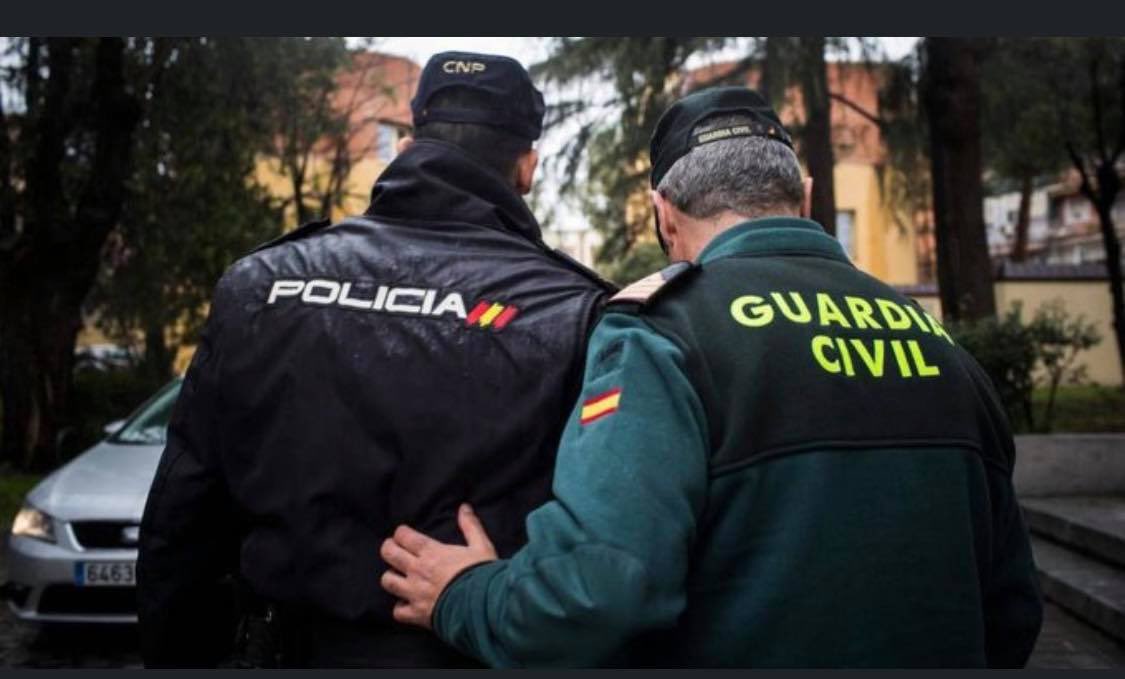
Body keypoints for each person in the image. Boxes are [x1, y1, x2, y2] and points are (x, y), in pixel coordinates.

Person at [378, 86, 1044, 668]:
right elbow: (1011, 614)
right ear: (805, 195)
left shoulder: (660, 334)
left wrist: (467, 595)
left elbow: (596, 593)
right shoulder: (942, 349)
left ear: (662, 211)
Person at [137, 51, 614, 668]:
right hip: (460, 651)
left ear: (408, 143)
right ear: (527, 166)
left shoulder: (258, 286)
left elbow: (181, 522)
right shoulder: (573, 310)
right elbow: (600, 550)